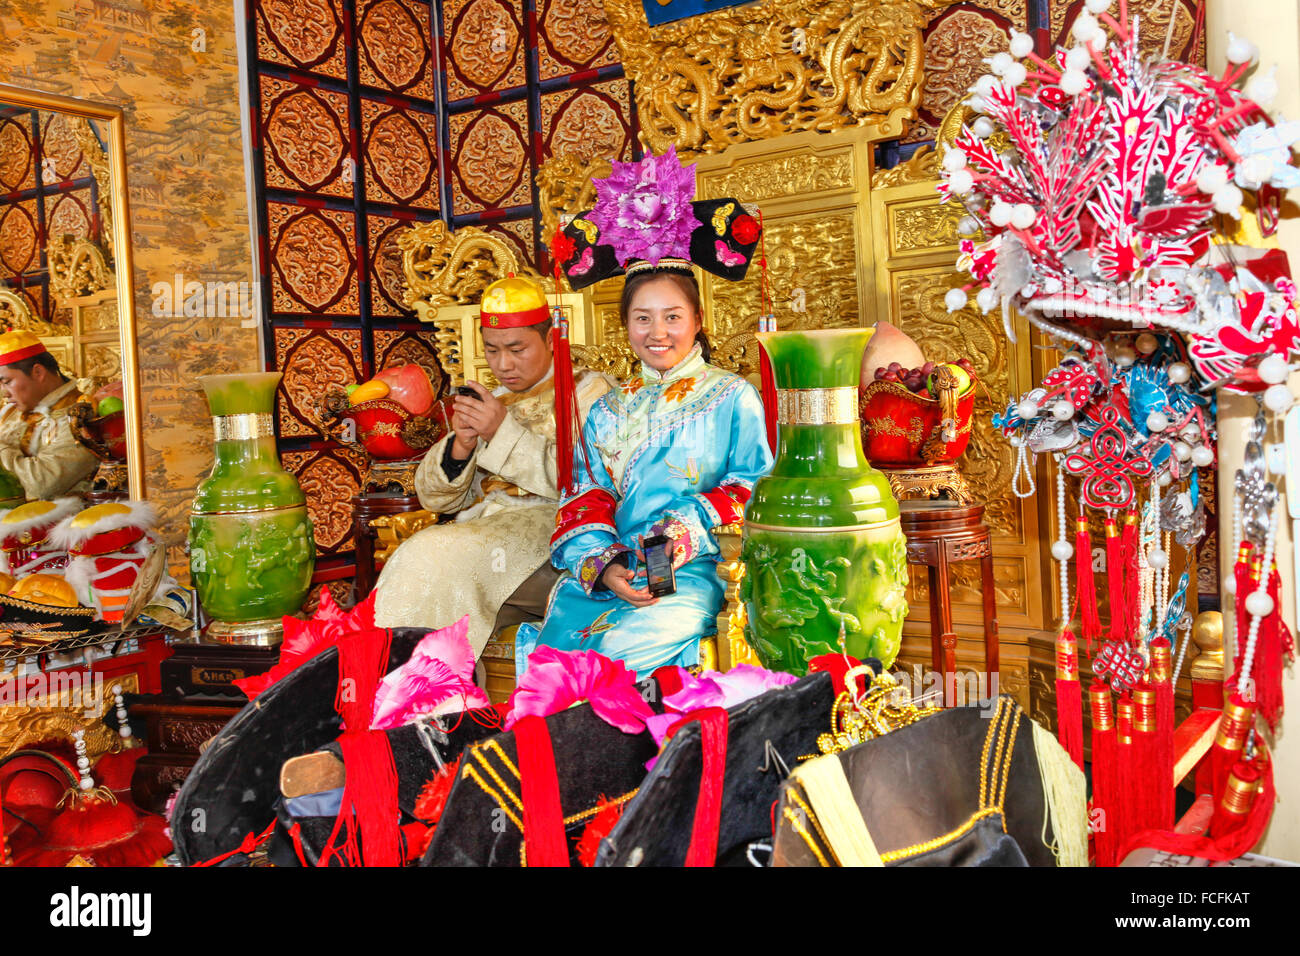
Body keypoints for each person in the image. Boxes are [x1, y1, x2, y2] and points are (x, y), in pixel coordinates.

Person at [515, 146, 771, 677]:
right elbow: (584, 492)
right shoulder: (607, 409)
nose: (658, 333)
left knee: (612, 656)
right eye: (643, 319)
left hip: (702, 569)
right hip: (614, 572)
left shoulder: (732, 397)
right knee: (558, 663)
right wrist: (602, 563)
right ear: (625, 324)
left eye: (673, 316)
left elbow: (757, 487)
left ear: (699, 319)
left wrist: (679, 532)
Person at [372, 275, 612, 659]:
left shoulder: (589, 392)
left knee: (434, 555)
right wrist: (462, 445)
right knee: (420, 559)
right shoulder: (491, 399)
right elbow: (435, 498)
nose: (503, 365)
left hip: (551, 536)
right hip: (482, 533)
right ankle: (421, 691)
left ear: (550, 340)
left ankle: (431, 692)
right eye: (493, 350)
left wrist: (502, 430)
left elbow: (587, 484)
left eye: (517, 349)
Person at [0, 330, 97, 500]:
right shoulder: (10, 411)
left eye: (7, 382)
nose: (4, 394)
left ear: (38, 372)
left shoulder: (81, 416)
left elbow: (39, 485)